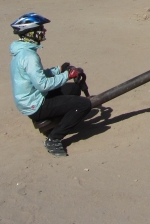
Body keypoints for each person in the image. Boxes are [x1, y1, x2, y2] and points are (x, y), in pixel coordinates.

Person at [9, 13, 91, 157]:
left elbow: (37, 75)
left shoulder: (22, 52)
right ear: (31, 33)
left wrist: (59, 70)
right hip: (35, 104)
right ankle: (54, 138)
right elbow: (43, 85)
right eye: (41, 28)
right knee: (84, 104)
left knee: (74, 88)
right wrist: (67, 75)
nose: (44, 31)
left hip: (31, 99)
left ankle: (55, 123)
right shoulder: (29, 56)